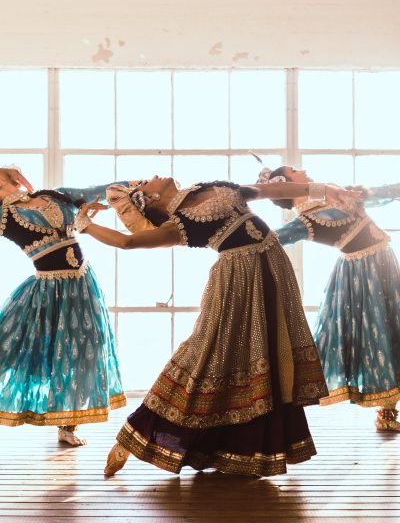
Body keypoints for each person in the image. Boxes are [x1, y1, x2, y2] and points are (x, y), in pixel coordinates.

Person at [75, 175, 359, 476]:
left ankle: (241, 448)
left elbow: (266, 190)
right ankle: (136, 435)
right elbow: (127, 242)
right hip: (238, 281)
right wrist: (86, 226)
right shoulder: (179, 223)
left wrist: (326, 189)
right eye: (144, 184)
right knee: (208, 355)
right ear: (150, 199)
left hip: (272, 270)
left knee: (268, 352)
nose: (151, 177)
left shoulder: (207, 187)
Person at [263, 165, 400, 431]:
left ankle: (387, 411)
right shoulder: (305, 221)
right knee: (376, 332)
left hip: (385, 266)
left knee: (392, 329)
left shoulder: (335, 194)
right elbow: (270, 241)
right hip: (361, 277)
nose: (303, 170)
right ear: (287, 184)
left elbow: (383, 193)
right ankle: (285, 408)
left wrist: (368, 192)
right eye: (295, 170)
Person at [0, 166, 130, 446]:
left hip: (83, 284)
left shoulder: (55, 195)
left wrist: (139, 186)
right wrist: (3, 168)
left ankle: (68, 426)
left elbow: (103, 190)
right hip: (47, 288)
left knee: (85, 350)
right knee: (14, 346)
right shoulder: (3, 215)